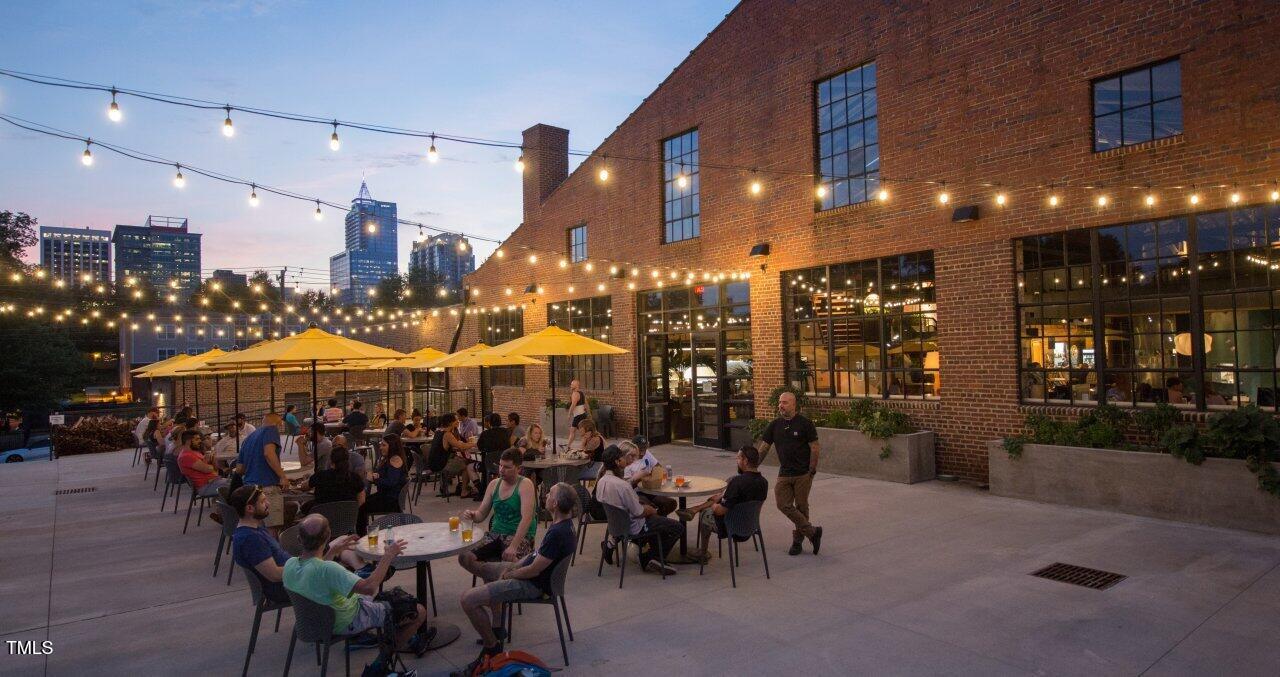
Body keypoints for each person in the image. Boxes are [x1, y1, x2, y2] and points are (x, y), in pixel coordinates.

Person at [457, 482, 578, 674]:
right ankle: (496, 621)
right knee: (484, 567)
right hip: (527, 570)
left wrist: (510, 574)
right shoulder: (565, 526)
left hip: (532, 585)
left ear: (554, 503)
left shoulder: (558, 533)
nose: (545, 495)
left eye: (549, 494)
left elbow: (534, 571)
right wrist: (513, 567)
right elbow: (535, 558)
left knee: (468, 600)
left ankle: (492, 646)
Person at [283, 514, 430, 657]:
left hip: (314, 623)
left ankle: (409, 639)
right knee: (418, 610)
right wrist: (388, 557)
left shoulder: (290, 565)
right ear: (328, 536)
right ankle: (384, 660)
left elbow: (316, 570)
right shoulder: (328, 569)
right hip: (346, 620)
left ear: (299, 540)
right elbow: (369, 587)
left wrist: (333, 551)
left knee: (385, 596)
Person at [594, 445, 679, 575]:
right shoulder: (622, 486)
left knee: (659, 520)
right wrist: (651, 510)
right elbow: (639, 513)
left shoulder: (601, 481)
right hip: (634, 526)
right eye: (623, 458)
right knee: (676, 527)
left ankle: (652, 555)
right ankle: (650, 558)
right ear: (618, 461)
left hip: (616, 526)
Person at [676, 445, 770, 562]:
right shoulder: (764, 482)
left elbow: (720, 511)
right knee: (718, 499)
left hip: (730, 526)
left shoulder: (737, 482)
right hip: (750, 525)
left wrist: (712, 505)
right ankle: (695, 509)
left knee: (705, 514)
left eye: (738, 458)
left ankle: (703, 553)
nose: (737, 461)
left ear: (745, 461)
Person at [759, 391, 823, 556]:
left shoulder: (805, 423)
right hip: (784, 473)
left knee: (801, 507)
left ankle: (797, 542)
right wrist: (752, 465)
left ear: (794, 405)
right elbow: (764, 447)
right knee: (783, 504)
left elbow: (815, 447)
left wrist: (812, 469)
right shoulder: (774, 425)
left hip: (803, 473)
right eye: (780, 402)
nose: (781, 405)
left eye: (785, 402)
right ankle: (812, 532)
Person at [457, 449, 537, 579]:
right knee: (464, 556)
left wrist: (514, 546)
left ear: (519, 469)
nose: (501, 470)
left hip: (518, 536)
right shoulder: (494, 484)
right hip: (495, 534)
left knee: (512, 561)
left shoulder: (525, 485)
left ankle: (494, 582)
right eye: (500, 465)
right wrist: (472, 515)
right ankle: (495, 576)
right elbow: (481, 514)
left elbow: (527, 519)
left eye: (507, 467)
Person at [234, 412, 294, 532]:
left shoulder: (248, 438)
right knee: (272, 528)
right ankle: (272, 550)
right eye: (280, 424)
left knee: (258, 527)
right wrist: (282, 476)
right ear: (278, 423)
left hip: (250, 489)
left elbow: (240, 469)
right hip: (267, 487)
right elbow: (269, 454)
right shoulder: (271, 430)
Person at [619, 439, 676, 516]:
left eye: (645, 449)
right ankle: (655, 520)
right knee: (649, 507)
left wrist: (653, 474)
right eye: (641, 449)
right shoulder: (625, 465)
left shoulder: (646, 454)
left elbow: (658, 467)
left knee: (670, 503)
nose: (643, 452)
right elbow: (625, 488)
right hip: (636, 492)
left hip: (648, 489)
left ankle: (658, 519)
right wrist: (637, 478)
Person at [363, 434, 409, 515]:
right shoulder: (390, 458)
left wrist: (374, 479)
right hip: (387, 496)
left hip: (391, 501)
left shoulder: (395, 459)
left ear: (392, 446)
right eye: (381, 445)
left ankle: (361, 527)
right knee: (362, 501)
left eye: (384, 445)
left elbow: (391, 482)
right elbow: (390, 477)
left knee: (361, 505)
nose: (380, 448)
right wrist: (378, 475)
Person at [176, 429, 229, 496]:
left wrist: (210, 462)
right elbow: (208, 469)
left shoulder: (194, 452)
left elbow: (214, 468)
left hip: (214, 481)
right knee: (236, 486)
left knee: (238, 482)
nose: (200, 441)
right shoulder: (186, 456)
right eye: (197, 439)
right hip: (206, 487)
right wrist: (209, 463)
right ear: (188, 441)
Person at [442, 414, 480, 498]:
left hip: (440, 461)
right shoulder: (448, 434)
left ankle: (469, 487)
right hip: (443, 464)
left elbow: (457, 445)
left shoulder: (442, 432)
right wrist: (474, 444)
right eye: (455, 419)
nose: (458, 421)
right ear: (450, 422)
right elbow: (461, 446)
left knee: (466, 461)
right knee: (467, 465)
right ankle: (464, 491)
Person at [565, 379, 589, 450]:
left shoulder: (575, 394)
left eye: (572, 384)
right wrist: (588, 413)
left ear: (576, 385)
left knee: (574, 431)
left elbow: (573, 405)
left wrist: (569, 414)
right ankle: (570, 446)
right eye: (571, 384)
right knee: (581, 432)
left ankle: (568, 446)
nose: (571, 386)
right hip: (581, 414)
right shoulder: (581, 393)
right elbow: (585, 404)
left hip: (578, 416)